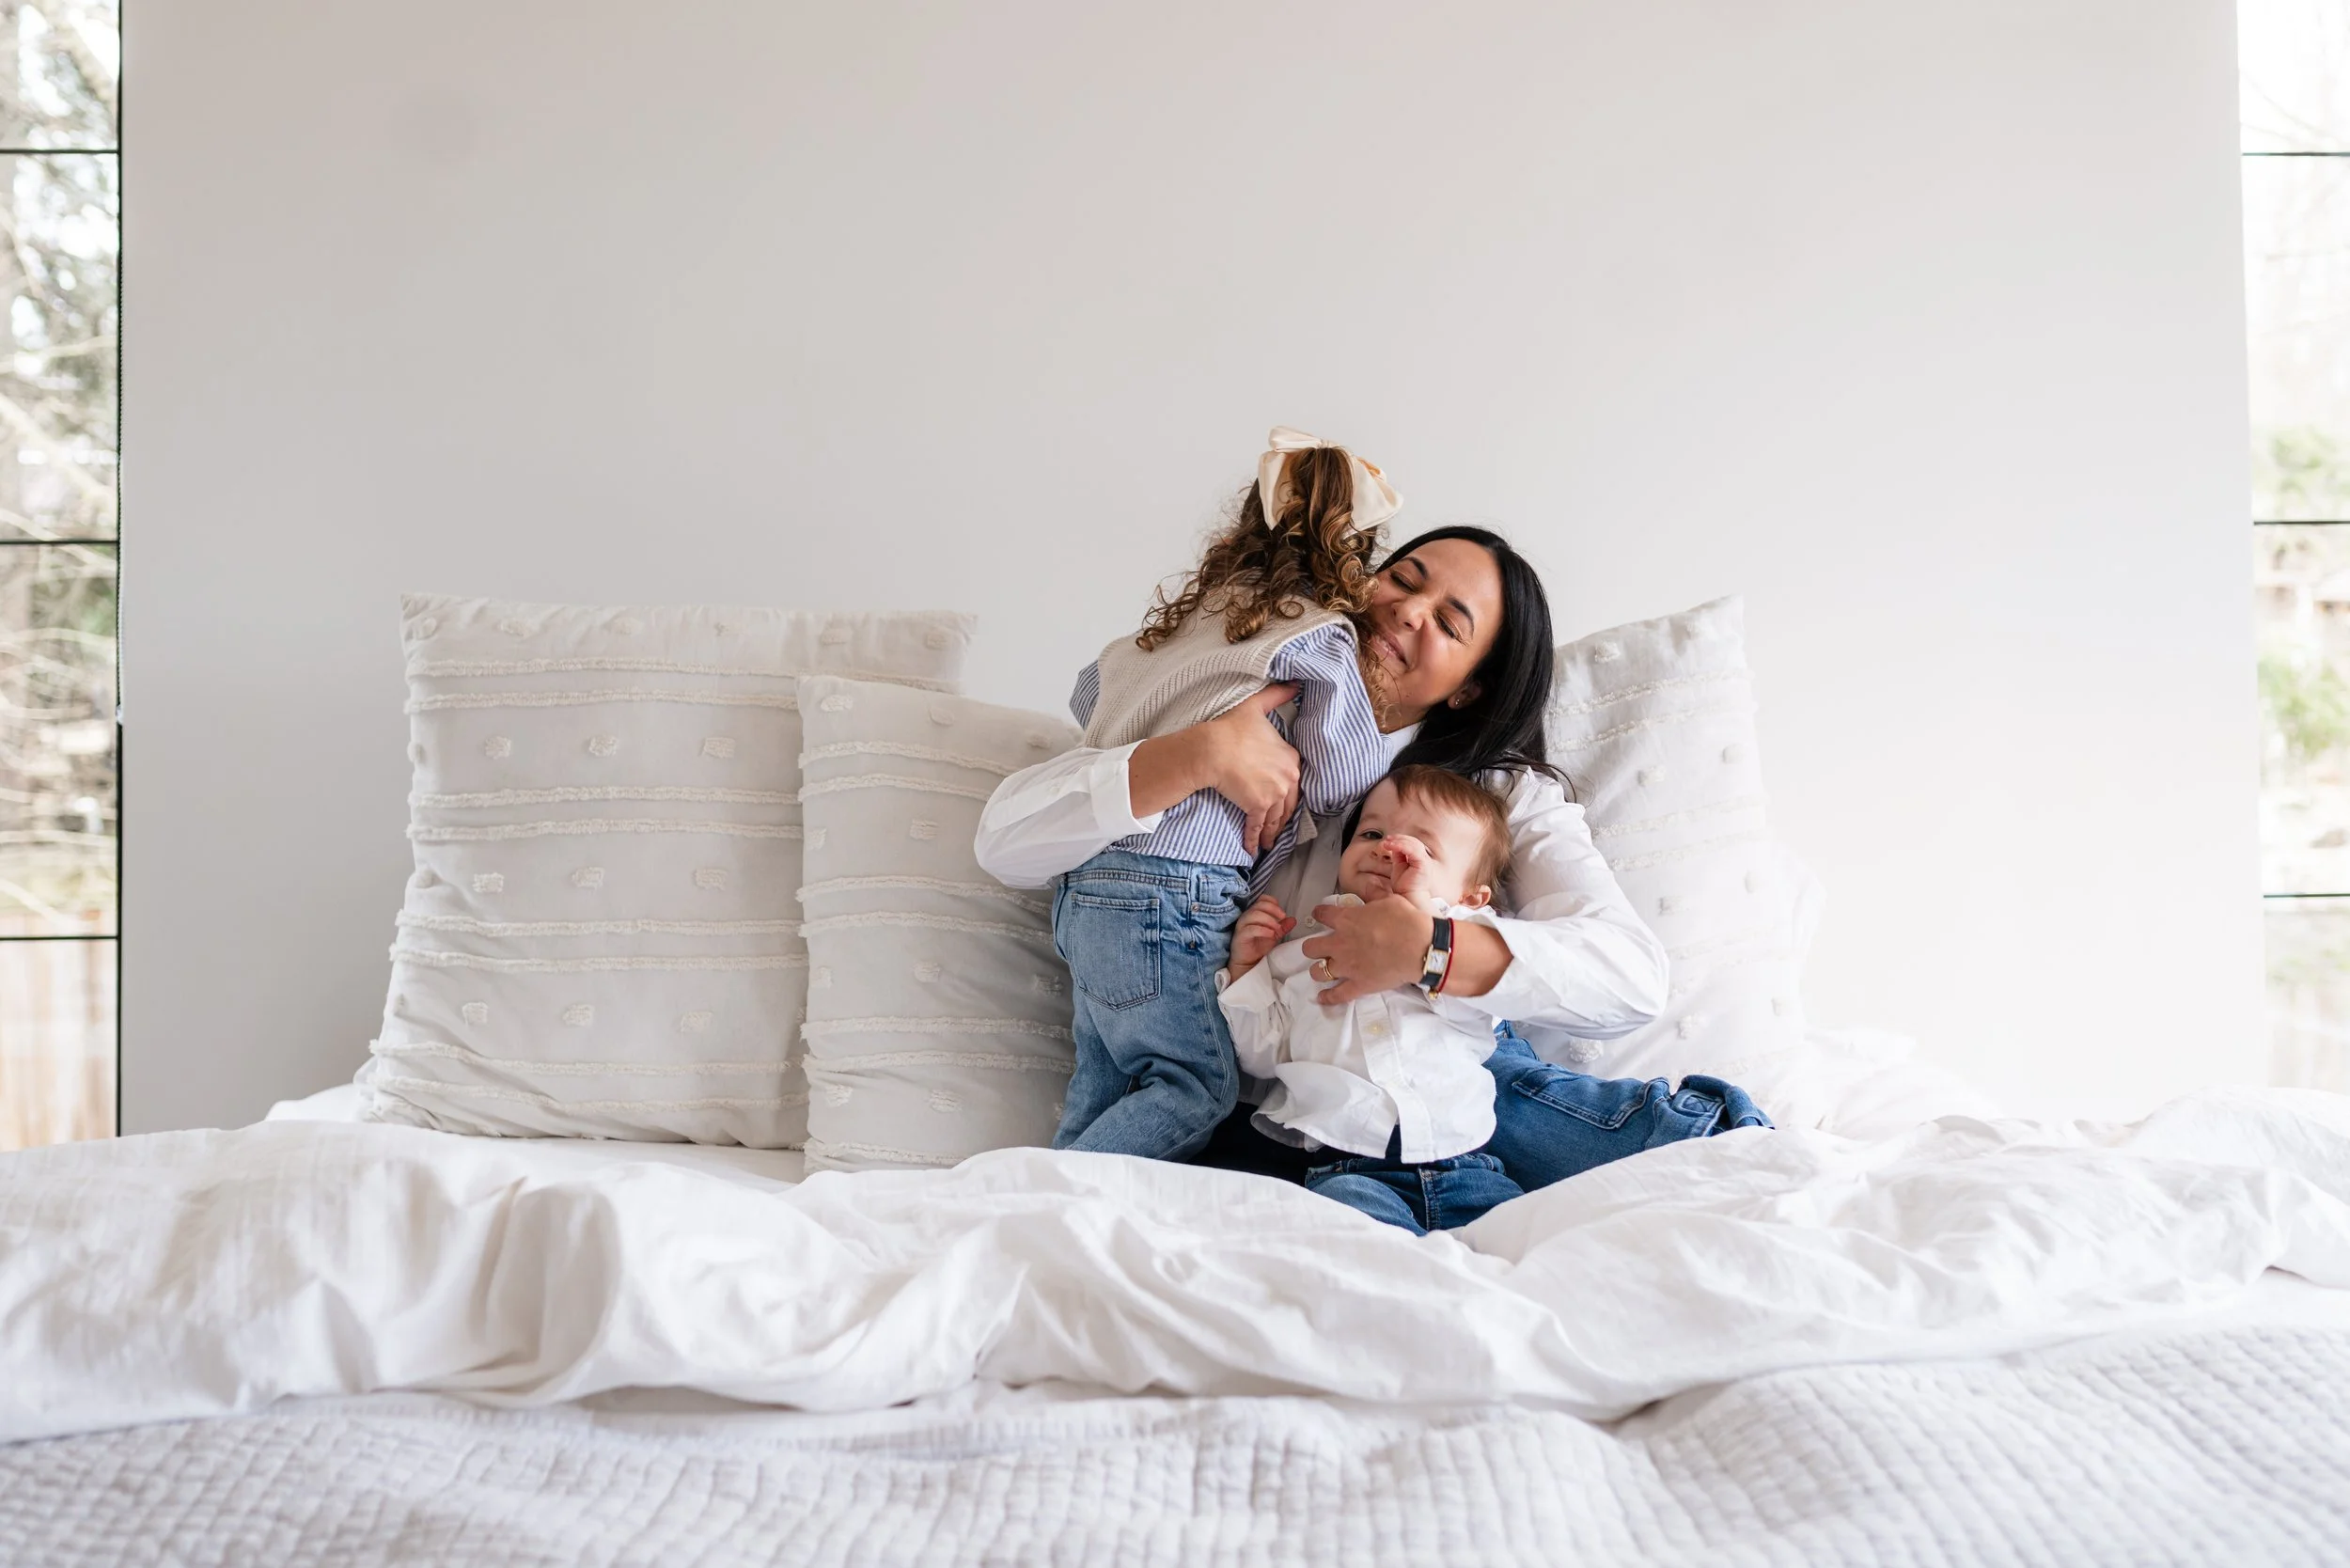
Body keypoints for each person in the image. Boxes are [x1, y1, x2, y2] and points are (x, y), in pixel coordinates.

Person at [978, 523, 1769, 1193]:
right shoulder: (1242, 696)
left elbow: (1629, 976)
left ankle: (1709, 1133)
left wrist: (1428, 951)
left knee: (1634, 1141)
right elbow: (1005, 843)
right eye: (1402, 578)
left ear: (1467, 690)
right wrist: (1197, 755)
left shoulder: (1497, 794)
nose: (1406, 610)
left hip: (1448, 1069)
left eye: (1450, 622)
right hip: (1277, 1102)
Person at [1048, 428, 1402, 1161]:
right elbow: (1346, 783)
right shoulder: (1319, 635)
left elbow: (1089, 696)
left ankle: (1035, 1225)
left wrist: (1177, 716)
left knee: (1105, 1083)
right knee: (1195, 1090)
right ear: (1354, 551)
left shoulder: (1180, 625)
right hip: (1173, 886)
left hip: (1083, 883)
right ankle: (1025, 1207)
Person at [1218, 765, 1525, 1233]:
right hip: (1349, 1172)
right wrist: (1247, 971)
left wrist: (1425, 923)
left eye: (1421, 849)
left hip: (1469, 1167)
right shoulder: (1301, 956)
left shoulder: (1470, 952)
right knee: (1360, 1251)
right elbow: (1262, 1058)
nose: (1388, 848)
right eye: (1373, 832)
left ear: (1472, 898)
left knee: (1521, 1254)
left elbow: (1488, 1010)